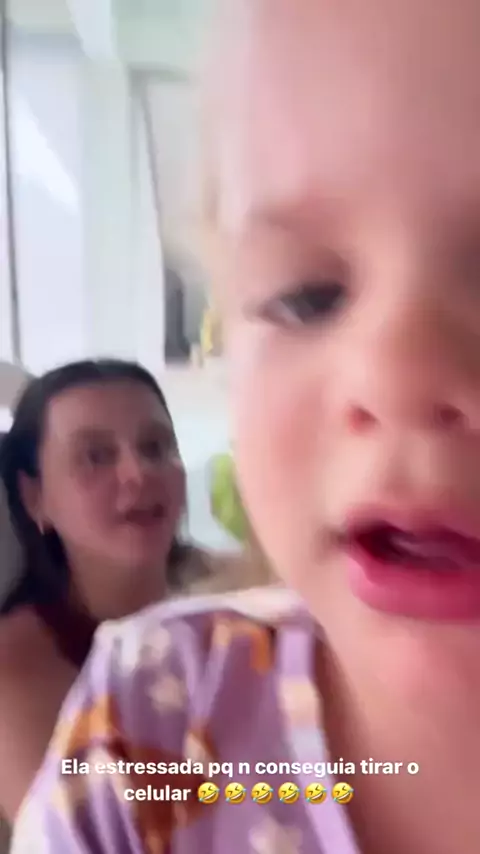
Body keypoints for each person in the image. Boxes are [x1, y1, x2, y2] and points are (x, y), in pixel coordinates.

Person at [10, 0, 480, 851]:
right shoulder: (147, 717)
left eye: (156, 446)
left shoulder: (213, 585)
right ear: (32, 495)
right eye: (306, 298)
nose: (396, 374)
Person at [0, 358, 214, 822]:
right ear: (35, 498)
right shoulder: (15, 674)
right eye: (95, 456)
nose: (138, 473)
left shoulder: (237, 593)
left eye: (156, 447)